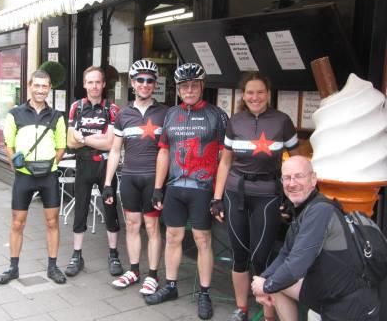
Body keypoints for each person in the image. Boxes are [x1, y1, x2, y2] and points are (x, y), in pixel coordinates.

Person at [210, 72, 299, 321]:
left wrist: (293, 197)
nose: (255, 97)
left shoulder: (282, 121)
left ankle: (269, 313)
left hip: (268, 195)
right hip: (235, 193)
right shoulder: (235, 121)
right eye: (250, 92)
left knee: (262, 258)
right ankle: (242, 308)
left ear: (268, 94)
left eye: (260, 92)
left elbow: (296, 161)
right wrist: (216, 199)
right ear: (243, 95)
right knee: (239, 256)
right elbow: (225, 162)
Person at [145, 63, 228, 320]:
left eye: (194, 85)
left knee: (203, 241)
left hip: (203, 188)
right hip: (175, 187)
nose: (189, 90)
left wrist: (218, 196)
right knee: (172, 237)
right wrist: (158, 187)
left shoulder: (217, 115)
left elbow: (226, 158)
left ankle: (204, 292)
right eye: (184, 86)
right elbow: (164, 152)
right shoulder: (171, 114)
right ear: (178, 89)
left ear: (202, 86)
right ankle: (170, 285)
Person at [251, 156, 380, 321]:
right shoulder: (304, 210)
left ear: (313, 179)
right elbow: (285, 254)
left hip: (350, 307)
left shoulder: (320, 210)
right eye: (287, 178)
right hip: (329, 294)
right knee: (277, 282)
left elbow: (295, 266)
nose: (292, 183)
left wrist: (266, 287)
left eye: (299, 176)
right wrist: (264, 278)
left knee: (278, 282)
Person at [102, 59, 168, 295]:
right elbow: (116, 150)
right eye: (140, 79)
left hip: (153, 179)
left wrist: (161, 186)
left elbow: (167, 150)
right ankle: (133, 270)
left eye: (150, 80)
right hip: (129, 177)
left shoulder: (165, 113)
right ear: (132, 83)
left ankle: (152, 275)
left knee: (152, 226)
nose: (145, 84)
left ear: (155, 84)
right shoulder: (123, 114)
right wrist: (108, 183)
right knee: (132, 225)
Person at [0, 69, 67, 285]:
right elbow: (8, 144)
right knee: (17, 223)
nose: (40, 90)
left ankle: (53, 267)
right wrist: (14, 161)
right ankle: (13, 267)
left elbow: (61, 146)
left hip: (48, 176)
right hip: (24, 175)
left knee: (52, 221)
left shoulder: (57, 116)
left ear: (49, 88)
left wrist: (50, 164)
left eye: (44, 86)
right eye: (36, 85)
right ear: (30, 86)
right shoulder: (15, 114)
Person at [65, 66, 122, 277]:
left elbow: (110, 145)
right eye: (90, 82)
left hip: (106, 167)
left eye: (98, 82)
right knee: (80, 210)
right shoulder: (76, 107)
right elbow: (70, 142)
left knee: (110, 210)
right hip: (83, 166)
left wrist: (84, 139)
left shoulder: (113, 109)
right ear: (84, 84)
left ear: (104, 84)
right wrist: (95, 139)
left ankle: (113, 254)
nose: (94, 86)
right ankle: (76, 255)